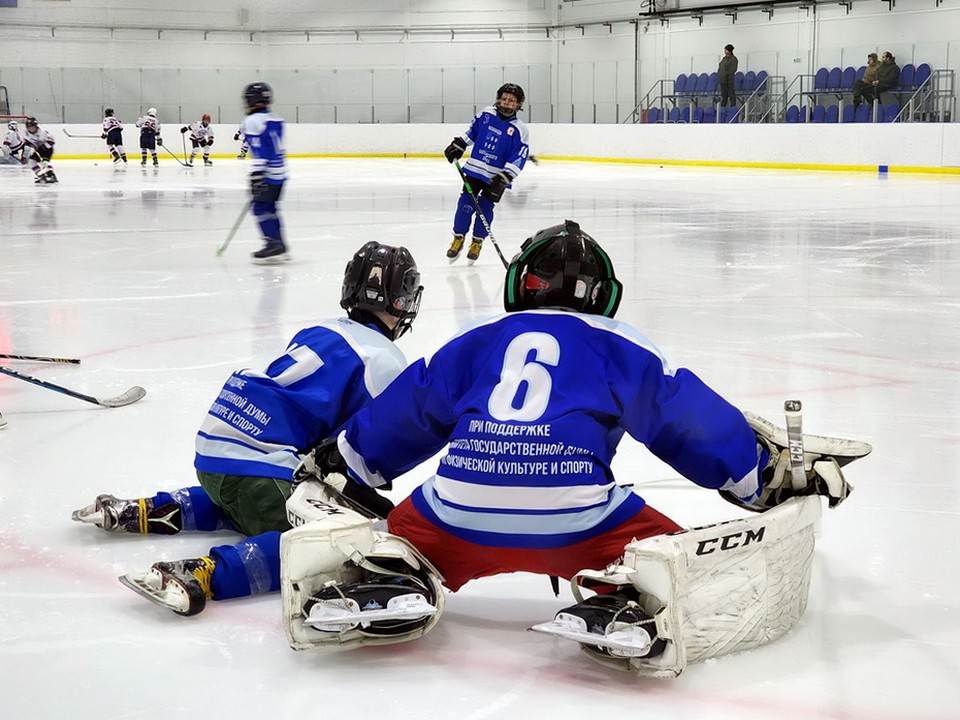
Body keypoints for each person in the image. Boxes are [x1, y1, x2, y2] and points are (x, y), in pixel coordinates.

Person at [283, 220, 870, 671]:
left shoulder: (476, 340)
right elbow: (683, 420)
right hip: (578, 521)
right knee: (665, 548)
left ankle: (390, 577)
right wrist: (759, 474)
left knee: (407, 531)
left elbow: (408, 411)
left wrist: (348, 460)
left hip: (454, 516)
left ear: (521, 284)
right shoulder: (619, 343)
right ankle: (624, 590)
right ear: (603, 294)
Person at [71, 241, 424, 616]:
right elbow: (376, 442)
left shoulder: (323, 329)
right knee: (336, 534)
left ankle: (142, 510)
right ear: (402, 300)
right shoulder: (385, 359)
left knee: (247, 501)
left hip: (216, 450)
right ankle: (204, 574)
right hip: (258, 464)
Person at [443, 83, 530, 265]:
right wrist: (459, 144)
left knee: (485, 208)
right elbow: (473, 132)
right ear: (499, 99)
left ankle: (477, 242)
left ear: (518, 105)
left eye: (512, 101)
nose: (507, 103)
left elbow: (519, 156)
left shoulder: (520, 129)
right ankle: (458, 237)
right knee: (465, 205)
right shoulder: (486, 114)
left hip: (495, 178)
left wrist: (506, 176)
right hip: (474, 170)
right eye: (504, 99)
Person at [241, 82, 290, 264]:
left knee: (260, 207)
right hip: (281, 174)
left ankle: (273, 242)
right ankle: (279, 242)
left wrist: (257, 176)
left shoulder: (251, 121)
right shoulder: (276, 118)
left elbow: (259, 149)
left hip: (267, 174)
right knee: (271, 208)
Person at [21, 117, 57, 184]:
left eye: (32, 127)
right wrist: (24, 156)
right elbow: (26, 144)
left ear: (36, 126)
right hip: (37, 150)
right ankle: (41, 176)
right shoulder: (26, 133)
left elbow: (51, 141)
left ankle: (51, 176)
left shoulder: (42, 132)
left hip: (47, 150)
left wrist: (41, 149)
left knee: (44, 162)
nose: (31, 129)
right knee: (31, 162)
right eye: (29, 127)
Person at [717, 44, 738, 108]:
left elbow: (733, 69)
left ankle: (733, 107)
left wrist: (726, 75)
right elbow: (720, 68)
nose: (725, 51)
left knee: (731, 94)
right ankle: (723, 108)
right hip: (722, 80)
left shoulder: (733, 59)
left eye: (726, 50)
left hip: (729, 80)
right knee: (724, 96)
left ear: (729, 50)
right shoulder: (724, 59)